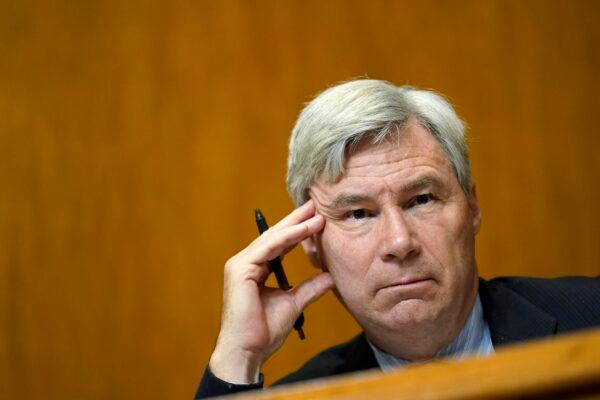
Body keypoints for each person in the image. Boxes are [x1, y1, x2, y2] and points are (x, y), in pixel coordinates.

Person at [195, 79, 600, 398]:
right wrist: (238, 359)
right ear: (311, 243)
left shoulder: (591, 321)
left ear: (472, 208)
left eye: (421, 199)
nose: (400, 242)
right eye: (358, 214)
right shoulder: (307, 396)